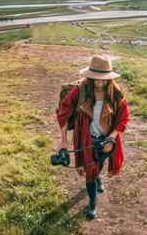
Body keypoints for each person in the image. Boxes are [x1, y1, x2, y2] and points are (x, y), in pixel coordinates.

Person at [56, 55, 130, 220]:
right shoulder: (80, 90)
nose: (99, 82)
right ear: (89, 75)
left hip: (107, 141)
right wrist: (63, 140)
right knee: (90, 171)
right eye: (95, 77)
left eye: (103, 78)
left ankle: (97, 178)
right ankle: (92, 203)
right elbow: (63, 113)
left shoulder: (115, 93)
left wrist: (112, 137)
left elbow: (124, 118)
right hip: (86, 139)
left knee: (99, 164)